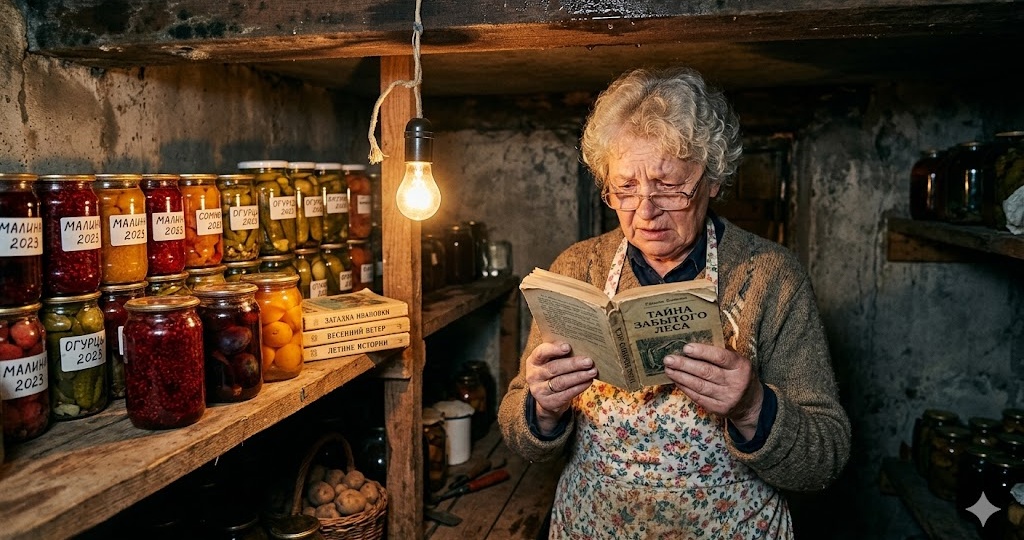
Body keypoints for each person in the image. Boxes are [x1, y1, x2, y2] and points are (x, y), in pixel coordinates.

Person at [497, 67, 851, 539]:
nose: (645, 211)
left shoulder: (770, 277)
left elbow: (824, 458)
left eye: (669, 186)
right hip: (594, 526)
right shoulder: (575, 269)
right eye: (624, 188)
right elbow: (517, 426)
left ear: (712, 181)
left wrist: (751, 408)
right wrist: (541, 412)